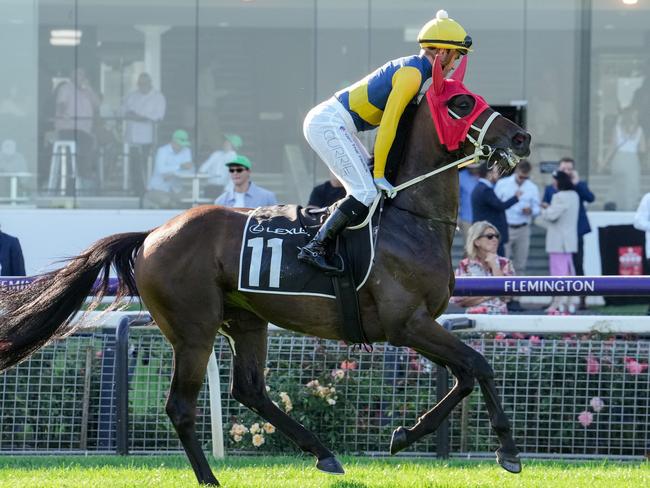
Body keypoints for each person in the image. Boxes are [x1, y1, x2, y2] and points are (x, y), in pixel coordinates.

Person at [297, 9, 472, 273]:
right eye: (456, 55)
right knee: (366, 190)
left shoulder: (418, 72)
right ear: (442, 52)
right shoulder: (413, 75)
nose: (456, 62)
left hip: (339, 125)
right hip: (328, 123)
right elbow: (389, 125)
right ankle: (316, 246)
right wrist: (379, 171)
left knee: (367, 188)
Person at [543, 157, 595, 309]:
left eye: (569, 169)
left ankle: (581, 299)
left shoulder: (578, 186)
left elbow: (590, 198)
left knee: (577, 266)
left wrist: (577, 183)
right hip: (560, 232)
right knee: (559, 269)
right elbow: (548, 204)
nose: (567, 171)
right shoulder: (552, 187)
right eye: (564, 169)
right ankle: (557, 299)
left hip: (577, 231)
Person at [450, 221, 514, 314]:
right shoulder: (465, 265)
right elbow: (459, 300)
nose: (495, 239)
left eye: (497, 236)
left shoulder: (505, 263)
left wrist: (494, 265)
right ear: (476, 241)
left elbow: (507, 295)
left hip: (500, 318)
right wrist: (490, 294)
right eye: (490, 236)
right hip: (474, 319)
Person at [538, 171, 579, 314]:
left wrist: (544, 209)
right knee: (569, 273)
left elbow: (552, 215)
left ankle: (558, 304)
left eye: (555, 180)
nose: (553, 183)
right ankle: (569, 303)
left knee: (558, 275)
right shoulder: (575, 196)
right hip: (568, 242)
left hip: (558, 242)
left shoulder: (559, 196)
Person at [54, 67, 101, 190]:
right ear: (71, 76)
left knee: (92, 146)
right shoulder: (66, 88)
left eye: (82, 75)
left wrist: (89, 89)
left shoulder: (86, 91)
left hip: (84, 130)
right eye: (77, 74)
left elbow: (97, 104)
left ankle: (85, 177)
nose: (80, 77)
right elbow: (62, 104)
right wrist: (63, 115)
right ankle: (77, 178)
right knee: (84, 148)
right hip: (69, 129)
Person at [122, 73, 167, 197]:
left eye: (145, 83)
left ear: (150, 83)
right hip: (132, 137)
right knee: (134, 165)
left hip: (148, 138)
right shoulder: (132, 96)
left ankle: (147, 192)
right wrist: (137, 117)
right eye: (140, 84)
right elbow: (124, 111)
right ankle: (137, 191)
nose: (142, 86)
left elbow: (158, 116)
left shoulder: (158, 97)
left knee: (146, 166)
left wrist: (139, 117)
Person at [600, 106, 646, 210]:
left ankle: (612, 206)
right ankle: (627, 210)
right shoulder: (639, 130)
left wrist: (603, 162)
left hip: (619, 159)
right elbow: (643, 149)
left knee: (617, 185)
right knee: (631, 188)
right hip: (632, 161)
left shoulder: (617, 128)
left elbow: (612, 147)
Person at [471, 162, 520, 256]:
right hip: (489, 236)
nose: (498, 174)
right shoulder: (485, 190)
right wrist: (516, 198)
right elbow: (500, 206)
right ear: (489, 174)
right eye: (496, 172)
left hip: (488, 235)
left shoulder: (481, 188)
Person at [142, 130, 193, 209]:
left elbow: (189, 170)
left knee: (191, 200)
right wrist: (180, 167)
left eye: (183, 145)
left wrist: (172, 174)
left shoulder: (186, 150)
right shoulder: (162, 151)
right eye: (180, 144)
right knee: (166, 202)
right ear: (173, 142)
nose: (181, 147)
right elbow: (161, 170)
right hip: (158, 189)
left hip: (176, 189)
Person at [199, 134, 242, 199]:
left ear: (233, 145)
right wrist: (202, 172)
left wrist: (226, 190)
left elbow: (234, 178)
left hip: (224, 189)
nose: (225, 143)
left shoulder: (236, 159)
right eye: (225, 141)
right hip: (210, 187)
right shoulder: (216, 154)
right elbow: (203, 168)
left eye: (228, 142)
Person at [458, 164, 480, 239]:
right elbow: (457, 197)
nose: (473, 170)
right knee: (468, 246)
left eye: (475, 167)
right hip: (466, 219)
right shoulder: (460, 176)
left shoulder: (484, 174)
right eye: (470, 168)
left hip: (483, 218)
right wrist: (458, 217)